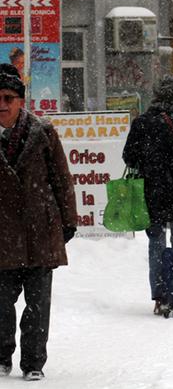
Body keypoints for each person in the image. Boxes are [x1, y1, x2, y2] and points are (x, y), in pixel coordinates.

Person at [0, 63, 78, 381]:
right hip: (3, 235)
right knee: (1, 305)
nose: (2, 104)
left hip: (39, 232)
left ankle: (33, 362)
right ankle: (2, 354)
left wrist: (68, 221)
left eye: (8, 97)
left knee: (37, 306)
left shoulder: (43, 133)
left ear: (21, 101)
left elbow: (61, 179)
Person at [123, 76, 173, 314]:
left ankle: (160, 295)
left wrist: (149, 161)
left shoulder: (142, 123)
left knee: (157, 242)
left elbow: (129, 157)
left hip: (152, 190)